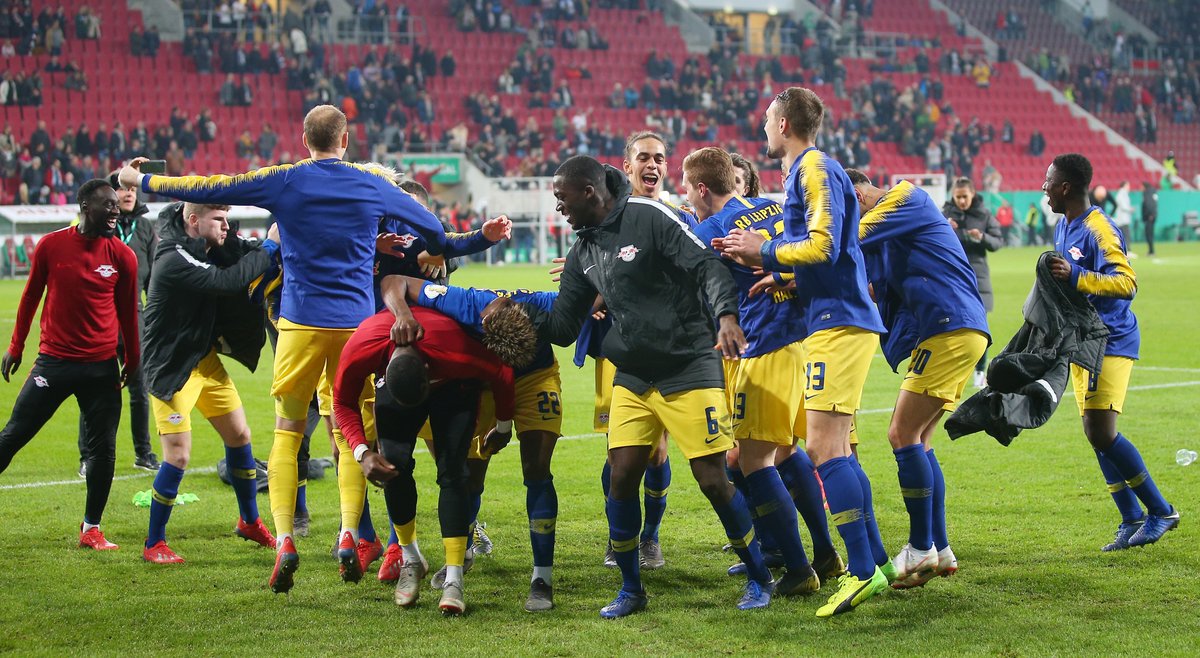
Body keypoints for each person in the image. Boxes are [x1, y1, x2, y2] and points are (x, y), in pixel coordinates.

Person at [119, 104, 448, 593]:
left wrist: (140, 182)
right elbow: (429, 222)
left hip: (297, 325)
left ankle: (286, 542)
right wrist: (437, 246)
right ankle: (347, 534)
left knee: (288, 432)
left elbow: (210, 187)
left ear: (303, 139)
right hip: (354, 329)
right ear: (346, 139)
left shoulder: (285, 179)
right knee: (347, 432)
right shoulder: (369, 183)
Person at [531, 155, 772, 618]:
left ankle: (761, 576)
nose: (558, 207)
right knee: (620, 479)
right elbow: (563, 324)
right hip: (634, 377)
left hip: (688, 366)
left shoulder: (648, 216)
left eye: (562, 197)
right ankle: (631, 589)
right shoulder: (585, 249)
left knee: (713, 481)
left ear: (587, 191)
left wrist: (724, 315)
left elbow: (708, 267)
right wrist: (516, 313)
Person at [716, 87, 889, 618]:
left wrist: (762, 249)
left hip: (838, 324)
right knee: (832, 445)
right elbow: (822, 258)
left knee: (824, 449)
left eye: (768, 120)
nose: (764, 129)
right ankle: (876, 563)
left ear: (785, 122)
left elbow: (826, 244)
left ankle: (859, 573)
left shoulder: (813, 168)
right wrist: (784, 278)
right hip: (833, 319)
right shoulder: (806, 172)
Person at [684, 146, 845, 595]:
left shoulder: (712, 231)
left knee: (753, 461)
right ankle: (825, 555)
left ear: (700, 188)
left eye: (687, 186)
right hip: (801, 341)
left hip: (764, 350)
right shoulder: (771, 206)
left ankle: (797, 571)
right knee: (787, 453)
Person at [380, 274, 562, 611]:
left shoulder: (542, 305)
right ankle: (460, 551)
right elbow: (395, 280)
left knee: (537, 467)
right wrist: (403, 313)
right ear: (482, 320)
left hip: (536, 376)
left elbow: (593, 298)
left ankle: (542, 578)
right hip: (486, 379)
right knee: (471, 475)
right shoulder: (461, 301)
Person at [846, 168, 990, 588]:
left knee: (900, 434)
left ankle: (920, 546)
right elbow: (868, 286)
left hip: (949, 327)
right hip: (952, 330)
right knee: (921, 441)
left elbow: (843, 241)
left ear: (855, 193)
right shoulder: (885, 233)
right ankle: (940, 549)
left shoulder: (906, 198)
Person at [334, 306, 519, 616]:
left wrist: (503, 427)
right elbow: (341, 402)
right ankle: (410, 558)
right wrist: (362, 452)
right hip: (398, 379)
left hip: (452, 385)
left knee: (454, 472)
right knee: (393, 466)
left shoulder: (457, 351)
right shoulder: (363, 345)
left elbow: (502, 372)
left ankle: (454, 576)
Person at [1043, 153, 1179, 550]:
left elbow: (1126, 282)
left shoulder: (1099, 229)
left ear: (1066, 187)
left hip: (1112, 338)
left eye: (1048, 180)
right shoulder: (1063, 227)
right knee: (1095, 434)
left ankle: (1161, 511)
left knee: (1101, 430)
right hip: (1083, 340)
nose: (1044, 186)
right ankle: (1130, 517)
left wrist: (1078, 276)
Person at [0, 179, 140, 551]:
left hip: (101, 369)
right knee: (14, 435)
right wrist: (15, 346)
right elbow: (30, 295)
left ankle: (91, 528)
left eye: (116, 206)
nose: (114, 211)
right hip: (54, 364)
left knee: (103, 451)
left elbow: (128, 314)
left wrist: (134, 359)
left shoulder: (123, 256)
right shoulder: (51, 246)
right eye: (106, 205)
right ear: (83, 205)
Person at [139, 202, 281, 563]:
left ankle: (249, 521)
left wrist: (265, 245)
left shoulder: (206, 247)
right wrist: (268, 247)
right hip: (171, 367)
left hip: (204, 360)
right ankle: (154, 542)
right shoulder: (172, 257)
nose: (225, 226)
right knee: (179, 455)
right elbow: (226, 281)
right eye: (218, 219)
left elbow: (239, 254)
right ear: (192, 220)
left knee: (240, 437)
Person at [588, 130, 697, 571]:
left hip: (664, 347)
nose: (652, 165)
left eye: (659, 158)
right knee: (618, 451)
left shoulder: (679, 216)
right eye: (644, 158)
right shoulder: (603, 218)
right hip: (616, 348)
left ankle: (649, 538)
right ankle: (620, 538)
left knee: (656, 451)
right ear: (627, 165)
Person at [77, 171, 159, 477]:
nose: (128, 194)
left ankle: (143, 453)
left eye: (132, 190)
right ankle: (88, 457)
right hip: (99, 317)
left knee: (140, 390)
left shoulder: (146, 228)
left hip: (134, 316)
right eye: (121, 189)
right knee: (94, 389)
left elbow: (153, 278)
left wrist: (153, 314)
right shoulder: (98, 228)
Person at [942, 177, 1002, 388]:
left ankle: (979, 372)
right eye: (957, 197)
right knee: (951, 328)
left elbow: (997, 242)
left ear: (973, 194)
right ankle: (954, 371)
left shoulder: (984, 214)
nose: (961, 201)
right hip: (952, 278)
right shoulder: (944, 214)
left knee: (978, 329)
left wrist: (982, 237)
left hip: (978, 279)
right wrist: (945, 228)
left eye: (964, 197)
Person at [1140, 181, 1157, 257]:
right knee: (1150, 234)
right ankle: (1151, 250)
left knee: (1148, 234)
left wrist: (1150, 214)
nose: (1140, 188)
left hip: (1149, 216)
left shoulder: (1147, 193)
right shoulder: (1153, 192)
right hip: (1153, 216)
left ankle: (1151, 251)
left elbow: (1149, 204)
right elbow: (1154, 204)